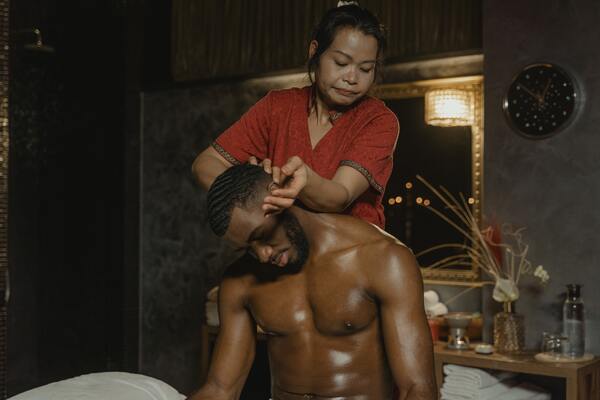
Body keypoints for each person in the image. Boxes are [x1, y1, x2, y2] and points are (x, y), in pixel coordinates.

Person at [188, 164, 436, 400]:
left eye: (261, 236)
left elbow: (418, 389)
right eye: (247, 248)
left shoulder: (382, 258)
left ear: (281, 195)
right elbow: (220, 389)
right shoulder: (240, 281)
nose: (262, 255)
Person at [191, 3, 399, 229]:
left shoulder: (378, 120)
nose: (352, 78)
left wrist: (301, 181)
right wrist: (253, 190)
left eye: (366, 69)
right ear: (314, 51)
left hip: (351, 247)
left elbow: (340, 196)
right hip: (283, 245)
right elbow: (205, 164)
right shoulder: (277, 106)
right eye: (341, 63)